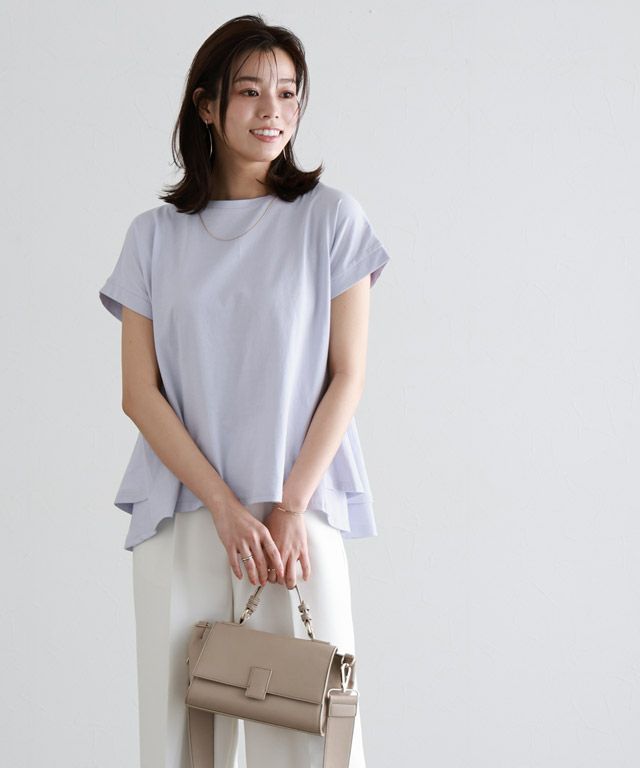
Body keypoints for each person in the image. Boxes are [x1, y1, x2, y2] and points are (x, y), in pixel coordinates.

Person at [98, 13, 391, 768]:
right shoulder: (153, 237)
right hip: (185, 511)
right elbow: (139, 393)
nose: (273, 111)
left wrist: (287, 507)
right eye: (251, 91)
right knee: (178, 744)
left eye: (288, 93)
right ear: (206, 105)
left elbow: (348, 375)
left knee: (308, 739)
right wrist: (224, 507)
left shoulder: (330, 220)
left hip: (294, 515)